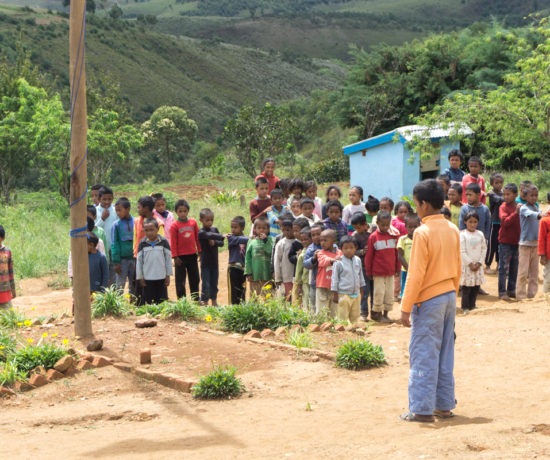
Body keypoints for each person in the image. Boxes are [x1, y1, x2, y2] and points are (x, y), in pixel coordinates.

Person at [400, 179, 460, 424]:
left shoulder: (422, 233)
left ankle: (422, 409)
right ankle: (444, 406)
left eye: (416, 204)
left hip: (429, 300)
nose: (416, 208)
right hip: (448, 296)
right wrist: (452, 293)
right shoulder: (452, 228)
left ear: (424, 204)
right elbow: (458, 266)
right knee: (445, 352)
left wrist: (405, 307)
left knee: (424, 353)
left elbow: (415, 274)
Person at [365, 211, 399, 322]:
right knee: (379, 293)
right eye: (382, 224)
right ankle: (378, 315)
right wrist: (369, 271)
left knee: (389, 293)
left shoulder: (393, 235)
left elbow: (396, 253)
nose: (385, 227)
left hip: (390, 271)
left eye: (387, 224)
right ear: (377, 223)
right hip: (378, 272)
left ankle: (386, 314)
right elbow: (369, 256)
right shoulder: (373, 237)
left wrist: (397, 268)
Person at [135, 219, 172, 305]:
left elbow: (168, 260)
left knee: (162, 300)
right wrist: (141, 277)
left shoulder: (163, 242)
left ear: (157, 229)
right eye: (146, 230)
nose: (149, 233)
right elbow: (139, 262)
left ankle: (161, 317)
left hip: (161, 277)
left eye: (152, 230)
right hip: (148, 278)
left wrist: (168, 275)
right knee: (149, 300)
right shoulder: (142, 243)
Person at [170, 199, 200, 300]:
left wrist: (199, 251)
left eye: (185, 211)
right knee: (180, 280)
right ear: (176, 212)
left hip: (192, 255)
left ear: (188, 211)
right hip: (180, 257)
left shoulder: (193, 223)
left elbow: (197, 238)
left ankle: (195, 299)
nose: (183, 213)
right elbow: (173, 242)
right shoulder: (174, 225)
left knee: (195, 278)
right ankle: (182, 301)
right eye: (180, 211)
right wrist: (175, 256)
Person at [331, 235, 365, 324]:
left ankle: (354, 332)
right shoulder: (338, 262)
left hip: (356, 294)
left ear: (355, 248)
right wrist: (335, 294)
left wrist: (361, 290)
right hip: (343, 294)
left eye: (351, 247)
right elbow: (335, 279)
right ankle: (343, 334)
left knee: (355, 315)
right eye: (345, 248)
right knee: (342, 316)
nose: (349, 250)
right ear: (341, 249)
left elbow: (360, 275)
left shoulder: (357, 260)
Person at [517, 185, 542, 300]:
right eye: (531, 195)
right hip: (525, 245)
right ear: (526, 196)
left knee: (534, 272)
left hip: (535, 244)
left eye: (536, 195)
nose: (534, 198)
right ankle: (521, 296)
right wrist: (540, 215)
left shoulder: (537, 208)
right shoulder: (524, 208)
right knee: (523, 272)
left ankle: (532, 295)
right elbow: (533, 215)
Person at [460, 211, 487, 311]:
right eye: (470, 222)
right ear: (465, 222)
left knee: (476, 286)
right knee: (466, 287)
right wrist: (470, 263)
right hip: (468, 267)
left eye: (475, 222)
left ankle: (473, 305)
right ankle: (465, 306)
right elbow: (462, 251)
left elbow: (484, 249)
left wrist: (479, 263)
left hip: (478, 266)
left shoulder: (480, 234)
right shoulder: (462, 235)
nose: (472, 224)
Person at [498, 183, 520, 301]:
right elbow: (505, 222)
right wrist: (515, 213)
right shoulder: (503, 207)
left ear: (515, 195)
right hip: (505, 241)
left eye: (508, 194)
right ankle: (502, 292)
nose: (505, 197)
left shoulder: (520, 206)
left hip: (517, 241)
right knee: (503, 268)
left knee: (514, 267)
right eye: (504, 194)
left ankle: (511, 289)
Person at [198, 208, 224, 306]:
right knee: (206, 284)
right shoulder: (201, 232)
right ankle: (204, 301)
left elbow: (221, 243)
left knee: (214, 283)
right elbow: (208, 235)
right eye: (207, 220)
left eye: (211, 220)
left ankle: (214, 301)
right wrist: (221, 236)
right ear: (201, 220)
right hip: (205, 263)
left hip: (214, 262)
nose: (210, 222)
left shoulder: (215, 229)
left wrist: (215, 243)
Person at [111, 197, 135, 294]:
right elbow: (114, 244)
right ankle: (118, 306)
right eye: (116, 211)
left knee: (134, 284)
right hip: (121, 261)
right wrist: (116, 262)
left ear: (128, 209)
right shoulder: (116, 225)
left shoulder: (136, 222)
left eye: (119, 210)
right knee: (120, 285)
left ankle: (134, 305)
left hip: (134, 259)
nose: (117, 213)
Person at [244, 216, 273, 296]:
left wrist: (265, 240)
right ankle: (254, 308)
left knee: (268, 296)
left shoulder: (270, 240)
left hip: (267, 273)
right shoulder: (252, 241)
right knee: (254, 295)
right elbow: (248, 258)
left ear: (268, 229)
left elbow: (270, 252)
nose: (261, 230)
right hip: (254, 274)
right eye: (259, 228)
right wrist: (248, 272)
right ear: (255, 229)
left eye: (264, 228)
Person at [316, 229, 342, 316]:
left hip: (335, 288)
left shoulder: (340, 253)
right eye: (321, 240)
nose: (322, 243)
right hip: (322, 286)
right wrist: (334, 260)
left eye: (325, 240)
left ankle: (332, 328)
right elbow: (323, 261)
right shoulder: (320, 253)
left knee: (334, 312)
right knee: (321, 312)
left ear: (333, 241)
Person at [351, 212, 372, 321]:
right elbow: (352, 251)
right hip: (362, 268)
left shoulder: (371, 233)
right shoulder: (354, 236)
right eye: (355, 227)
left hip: (372, 267)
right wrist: (362, 252)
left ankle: (375, 312)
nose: (357, 229)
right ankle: (363, 313)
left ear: (364, 224)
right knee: (364, 290)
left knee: (373, 291)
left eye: (358, 227)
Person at [95, 185, 117, 284]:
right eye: (104, 199)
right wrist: (102, 219)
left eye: (109, 199)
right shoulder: (95, 211)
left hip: (113, 249)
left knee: (113, 276)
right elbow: (93, 228)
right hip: (100, 249)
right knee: (101, 274)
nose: (107, 202)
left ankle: (112, 297)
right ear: (99, 199)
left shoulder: (116, 210)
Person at [397, 213, 421, 298]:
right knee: (406, 289)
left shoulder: (421, 239)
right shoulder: (403, 239)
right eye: (410, 227)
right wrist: (408, 267)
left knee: (418, 290)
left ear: (419, 226)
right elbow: (400, 255)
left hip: (419, 270)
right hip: (406, 270)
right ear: (405, 226)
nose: (413, 229)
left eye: (415, 226)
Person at [226, 216, 249, 305]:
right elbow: (240, 239)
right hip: (233, 268)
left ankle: (241, 310)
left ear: (242, 228)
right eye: (232, 227)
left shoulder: (246, 239)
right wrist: (251, 238)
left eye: (235, 227)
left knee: (242, 290)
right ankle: (233, 309)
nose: (233, 229)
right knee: (233, 291)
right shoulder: (231, 238)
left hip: (243, 269)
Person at [486, 173, 504, 274]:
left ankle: (498, 264)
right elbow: (500, 200)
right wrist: (506, 198)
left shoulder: (501, 193)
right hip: (494, 222)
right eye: (496, 183)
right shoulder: (492, 194)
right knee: (492, 245)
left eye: (501, 183)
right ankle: (487, 264)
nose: (499, 185)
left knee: (500, 245)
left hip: (502, 223)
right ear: (492, 184)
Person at [274, 220, 296, 300]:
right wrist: (278, 278)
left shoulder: (298, 241)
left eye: (288, 230)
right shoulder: (281, 243)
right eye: (283, 230)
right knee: (287, 297)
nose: (286, 232)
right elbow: (277, 261)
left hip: (295, 276)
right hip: (286, 276)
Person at [303, 223, 324, 309]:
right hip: (315, 282)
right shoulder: (311, 249)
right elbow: (305, 264)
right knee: (314, 305)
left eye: (318, 234)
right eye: (313, 235)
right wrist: (313, 258)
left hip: (328, 282)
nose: (316, 237)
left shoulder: (332, 247)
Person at [292, 228, 312, 310]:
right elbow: (299, 272)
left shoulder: (314, 251)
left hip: (314, 282)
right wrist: (299, 285)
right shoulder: (302, 255)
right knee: (306, 300)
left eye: (306, 239)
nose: (304, 242)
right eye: (302, 240)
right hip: (305, 282)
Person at [0, 225, 16, 309]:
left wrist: (13, 288)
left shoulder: (7, 251)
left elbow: (10, 271)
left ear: (3, 238)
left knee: (8, 316)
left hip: (5, 291)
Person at [538, 191, 550, 293]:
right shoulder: (545, 220)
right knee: (548, 279)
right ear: (548, 202)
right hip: (549, 256)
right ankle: (545, 298)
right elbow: (541, 238)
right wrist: (542, 255)